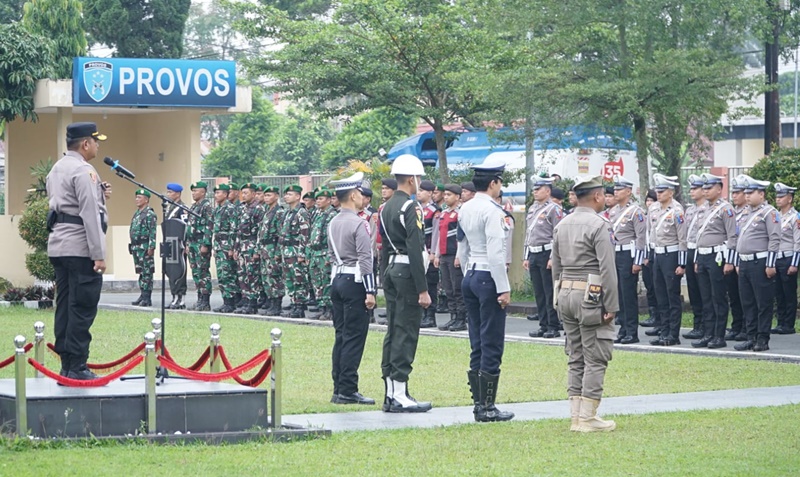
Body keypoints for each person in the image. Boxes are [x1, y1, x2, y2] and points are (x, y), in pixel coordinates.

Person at [551, 175, 619, 432]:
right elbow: (607, 269)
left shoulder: (562, 223)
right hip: (590, 296)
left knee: (576, 356)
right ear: (598, 196)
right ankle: (588, 418)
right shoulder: (600, 224)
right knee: (596, 356)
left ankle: (576, 417)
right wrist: (611, 305)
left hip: (566, 292)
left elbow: (555, 267)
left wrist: (556, 298)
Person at [47, 122, 109, 380]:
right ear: (85, 143)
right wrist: (99, 254)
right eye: (95, 141)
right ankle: (77, 365)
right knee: (82, 306)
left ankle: (66, 362)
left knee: (65, 305)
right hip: (80, 247)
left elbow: (65, 204)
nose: (97, 146)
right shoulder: (84, 170)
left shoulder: (57, 167)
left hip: (59, 245)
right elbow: (89, 215)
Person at [457, 164, 515, 422]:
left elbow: (462, 247)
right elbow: (496, 252)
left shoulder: (465, 207)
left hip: (470, 274)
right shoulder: (493, 210)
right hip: (488, 276)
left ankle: (479, 403)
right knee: (491, 340)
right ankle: (487, 406)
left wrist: (467, 273)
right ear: (493, 183)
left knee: (477, 341)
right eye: (499, 182)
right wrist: (503, 287)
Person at [380, 154, 432, 413]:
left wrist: (382, 278)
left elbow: (382, 248)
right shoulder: (410, 208)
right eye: (419, 178)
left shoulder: (386, 207)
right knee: (406, 331)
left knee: (393, 330)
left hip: (391, 269)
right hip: (406, 273)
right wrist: (423, 288)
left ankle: (391, 391)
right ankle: (399, 392)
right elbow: (415, 248)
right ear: (412, 179)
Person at [328, 172, 377, 405]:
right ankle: (348, 388)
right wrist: (371, 290)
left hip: (337, 279)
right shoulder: (359, 223)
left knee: (341, 336)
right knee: (354, 337)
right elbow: (365, 260)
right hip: (355, 282)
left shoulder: (333, 221)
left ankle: (338, 386)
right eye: (359, 193)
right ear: (354, 195)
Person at [691, 173, 737, 349]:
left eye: (709, 188)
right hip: (702, 255)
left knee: (718, 297)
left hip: (717, 256)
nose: (706, 191)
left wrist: (729, 261)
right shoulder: (704, 209)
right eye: (704, 188)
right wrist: (696, 259)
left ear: (719, 188)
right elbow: (698, 236)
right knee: (706, 298)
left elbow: (732, 236)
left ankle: (719, 335)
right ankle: (708, 333)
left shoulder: (726, 209)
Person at [735, 175, 780, 352]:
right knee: (748, 302)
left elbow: (774, 239)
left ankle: (762, 338)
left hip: (760, 262)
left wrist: (770, 264)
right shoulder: (746, 213)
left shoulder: (770, 212)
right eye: (745, 193)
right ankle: (750, 336)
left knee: (763, 303)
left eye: (750, 192)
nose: (747, 196)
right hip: (745, 263)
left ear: (761, 194)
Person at [647, 173, 687, 346]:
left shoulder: (677, 211)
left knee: (672, 296)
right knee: (660, 295)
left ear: (670, 192)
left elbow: (682, 239)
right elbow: (651, 233)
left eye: (662, 191)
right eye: (657, 191)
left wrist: (682, 263)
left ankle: (673, 334)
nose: (659, 194)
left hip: (672, 256)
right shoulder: (653, 209)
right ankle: (664, 332)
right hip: (658, 255)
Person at [607, 176, 646, 344]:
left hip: (628, 256)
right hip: (616, 253)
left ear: (628, 191)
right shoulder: (614, 211)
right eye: (614, 189)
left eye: (619, 189)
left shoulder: (636, 211)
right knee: (619, 294)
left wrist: (638, 261)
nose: (615, 192)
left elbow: (641, 238)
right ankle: (623, 328)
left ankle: (632, 331)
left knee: (628, 294)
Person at [524, 176, 563, 338]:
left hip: (547, 252)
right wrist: (526, 256)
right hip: (533, 252)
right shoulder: (533, 208)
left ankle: (553, 325)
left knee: (549, 291)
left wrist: (554, 257)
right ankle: (543, 324)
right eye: (534, 189)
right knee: (539, 292)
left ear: (547, 191)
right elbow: (529, 234)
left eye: (538, 189)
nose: (535, 192)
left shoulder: (554, 209)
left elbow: (558, 235)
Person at [435, 183, 467, 332]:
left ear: (458, 197)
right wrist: (437, 254)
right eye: (445, 195)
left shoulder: (461, 213)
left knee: (457, 287)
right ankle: (453, 316)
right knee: (447, 288)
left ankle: (461, 318)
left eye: (449, 195)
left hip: (455, 254)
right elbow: (439, 235)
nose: (446, 197)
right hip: (444, 254)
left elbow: (461, 237)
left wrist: (459, 255)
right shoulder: (444, 213)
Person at [682, 175, 709, 340]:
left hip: (702, 251)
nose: (692, 191)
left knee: (703, 290)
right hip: (690, 250)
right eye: (691, 188)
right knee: (693, 289)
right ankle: (697, 323)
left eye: (695, 188)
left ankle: (706, 325)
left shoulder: (708, 209)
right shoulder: (690, 209)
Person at [279, 184, 311, 318]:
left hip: (296, 250)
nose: (286, 196)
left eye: (290, 194)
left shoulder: (301, 212)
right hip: (286, 251)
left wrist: (302, 254)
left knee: (299, 280)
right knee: (289, 280)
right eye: (286, 194)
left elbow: (305, 234)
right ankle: (293, 303)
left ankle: (300, 306)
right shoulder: (287, 213)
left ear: (298, 196)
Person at [772, 182, 800, 335]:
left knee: (788, 293)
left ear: (789, 199)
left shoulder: (795, 217)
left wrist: (794, 264)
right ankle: (780, 322)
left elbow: (798, 242)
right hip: (776, 259)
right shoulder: (775, 216)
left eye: (781, 196)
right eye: (777, 196)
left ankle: (788, 324)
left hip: (788, 258)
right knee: (778, 293)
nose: (778, 199)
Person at [233, 183, 265, 315]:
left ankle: (253, 303)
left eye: (246, 193)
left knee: (252, 275)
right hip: (242, 246)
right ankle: (246, 301)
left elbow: (260, 232)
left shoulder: (259, 209)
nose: (244, 195)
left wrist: (257, 250)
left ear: (253, 194)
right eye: (242, 193)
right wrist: (235, 248)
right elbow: (238, 230)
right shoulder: (242, 208)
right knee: (242, 275)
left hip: (252, 246)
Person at [307, 188, 337, 320]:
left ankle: (330, 309)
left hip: (325, 252)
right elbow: (311, 235)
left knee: (327, 282)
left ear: (329, 200)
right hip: (315, 253)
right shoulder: (317, 214)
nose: (318, 201)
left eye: (320, 199)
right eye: (317, 199)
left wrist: (330, 256)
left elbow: (333, 237)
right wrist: (308, 254)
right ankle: (322, 307)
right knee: (317, 282)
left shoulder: (333, 215)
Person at [724, 177, 747, 341]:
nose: (734, 196)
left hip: (743, 257)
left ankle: (747, 327)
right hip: (730, 257)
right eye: (733, 192)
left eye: (738, 193)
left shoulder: (750, 213)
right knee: (733, 295)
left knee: (745, 296)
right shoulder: (732, 212)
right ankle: (737, 325)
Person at [258, 186, 286, 316]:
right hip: (265, 249)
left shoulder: (279, 212)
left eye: (269, 195)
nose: (266, 198)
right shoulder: (266, 211)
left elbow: (281, 234)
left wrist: (277, 253)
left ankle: (277, 304)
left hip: (273, 248)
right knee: (266, 277)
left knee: (275, 276)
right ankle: (271, 302)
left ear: (276, 196)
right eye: (265, 195)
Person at [186, 181, 214, 311]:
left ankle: (205, 300)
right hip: (192, 243)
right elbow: (189, 226)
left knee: (203, 271)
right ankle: (199, 299)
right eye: (192, 191)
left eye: (196, 191)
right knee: (196, 272)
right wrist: (187, 244)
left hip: (200, 243)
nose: (193, 193)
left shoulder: (206, 206)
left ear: (203, 192)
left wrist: (206, 244)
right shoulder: (193, 207)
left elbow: (209, 226)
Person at [418, 180, 441, 328]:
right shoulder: (418, 209)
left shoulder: (435, 211)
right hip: (419, 252)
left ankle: (430, 315)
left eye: (422, 190)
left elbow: (436, 233)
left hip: (429, 252)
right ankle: (422, 314)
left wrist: (433, 252)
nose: (418, 193)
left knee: (430, 284)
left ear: (430, 193)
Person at [212, 183, 237, 313]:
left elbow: (233, 229)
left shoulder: (230, 208)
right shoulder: (217, 209)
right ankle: (225, 301)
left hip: (227, 246)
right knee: (221, 275)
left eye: (219, 193)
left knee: (228, 274)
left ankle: (231, 302)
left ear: (226, 194)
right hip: (219, 246)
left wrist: (231, 247)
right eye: (215, 193)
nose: (217, 195)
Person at [129, 188, 156, 308]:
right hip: (136, 247)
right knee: (140, 272)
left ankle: (147, 297)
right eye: (136, 197)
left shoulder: (150, 214)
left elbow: (152, 232)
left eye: (139, 198)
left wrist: (151, 247)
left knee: (147, 272)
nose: (136, 200)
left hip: (145, 247)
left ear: (146, 200)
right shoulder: (137, 213)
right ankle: (142, 294)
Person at [165, 182, 189, 309]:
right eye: (168, 192)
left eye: (170, 192)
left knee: (179, 271)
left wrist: (185, 243)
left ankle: (181, 298)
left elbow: (184, 226)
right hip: (170, 243)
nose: (168, 194)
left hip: (179, 244)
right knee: (170, 271)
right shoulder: (169, 208)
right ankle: (174, 295)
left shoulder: (182, 208)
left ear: (178, 194)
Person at [640, 189, 659, 326]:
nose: (649, 203)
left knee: (656, 286)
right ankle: (652, 314)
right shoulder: (645, 215)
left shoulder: (658, 215)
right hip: (645, 254)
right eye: (647, 200)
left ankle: (658, 316)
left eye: (652, 200)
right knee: (649, 286)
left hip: (654, 252)